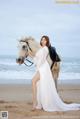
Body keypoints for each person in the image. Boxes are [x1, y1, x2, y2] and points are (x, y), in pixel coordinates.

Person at [31, 35, 80, 111]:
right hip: (42, 68)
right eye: (42, 40)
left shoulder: (45, 49)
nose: (43, 41)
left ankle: (35, 103)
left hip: (42, 68)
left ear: (47, 41)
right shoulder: (41, 49)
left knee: (33, 81)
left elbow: (41, 60)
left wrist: (37, 65)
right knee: (38, 84)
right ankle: (39, 103)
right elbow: (38, 59)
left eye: (45, 40)